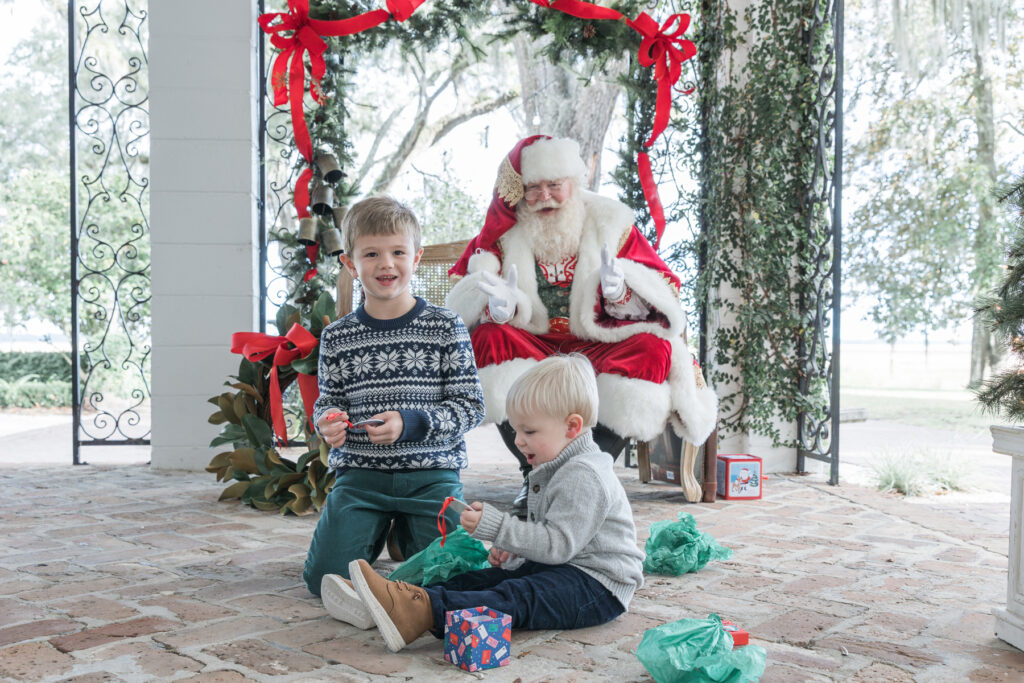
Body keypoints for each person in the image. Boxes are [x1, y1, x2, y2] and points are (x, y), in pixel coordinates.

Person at [445, 135, 718, 511]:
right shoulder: (504, 233)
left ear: (573, 182)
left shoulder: (611, 223)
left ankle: (591, 473)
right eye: (533, 188)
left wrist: (621, 294)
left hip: (597, 345)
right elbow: (464, 302)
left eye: (554, 185)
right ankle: (536, 478)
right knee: (491, 338)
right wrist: (499, 308)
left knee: (653, 350)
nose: (545, 197)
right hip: (534, 344)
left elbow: (663, 296)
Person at [339, 354, 645, 653]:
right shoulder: (557, 463)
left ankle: (422, 613)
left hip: (599, 586)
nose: (519, 441)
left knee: (518, 595)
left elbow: (557, 545)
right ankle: (395, 603)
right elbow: (546, 532)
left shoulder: (584, 474)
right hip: (566, 567)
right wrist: (514, 550)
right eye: (516, 430)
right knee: (481, 579)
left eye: (529, 431)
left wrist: (498, 528)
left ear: (572, 427)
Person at [303, 196, 486, 601]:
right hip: (360, 479)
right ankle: (373, 528)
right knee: (324, 581)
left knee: (456, 577)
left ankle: (404, 533)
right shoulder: (338, 337)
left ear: (415, 257)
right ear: (351, 264)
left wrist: (413, 422)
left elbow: (471, 407)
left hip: (431, 477)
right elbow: (328, 400)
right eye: (372, 254)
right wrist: (328, 420)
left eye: (397, 252)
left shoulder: (445, 326)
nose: (386, 263)